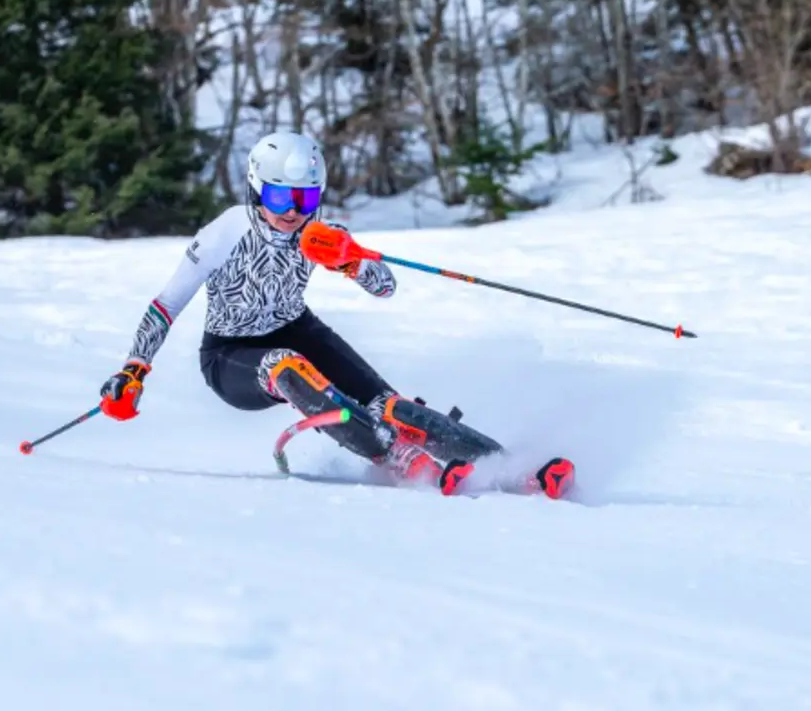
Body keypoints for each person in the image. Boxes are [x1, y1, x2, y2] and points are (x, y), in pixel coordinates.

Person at [96, 131, 506, 496]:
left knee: (388, 405)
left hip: (298, 328)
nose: (293, 211)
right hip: (229, 354)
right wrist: (134, 369)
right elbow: (166, 304)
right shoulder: (226, 233)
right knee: (284, 366)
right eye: (280, 197)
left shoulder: (319, 233)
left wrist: (351, 261)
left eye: (305, 198)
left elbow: (385, 287)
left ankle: (504, 464)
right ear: (257, 191)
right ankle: (398, 458)